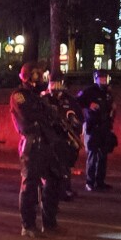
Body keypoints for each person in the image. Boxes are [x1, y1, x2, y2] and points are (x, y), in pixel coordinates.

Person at [10, 62, 64, 238]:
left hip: (47, 143)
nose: (40, 78)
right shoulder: (19, 95)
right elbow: (29, 117)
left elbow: (51, 117)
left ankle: (49, 222)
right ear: (27, 77)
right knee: (30, 184)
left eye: (41, 75)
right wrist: (45, 112)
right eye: (36, 75)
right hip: (32, 144)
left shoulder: (39, 96)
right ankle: (28, 225)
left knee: (55, 178)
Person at [42, 71, 83, 200]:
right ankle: (55, 192)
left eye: (58, 84)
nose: (55, 87)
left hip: (67, 137)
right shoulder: (44, 99)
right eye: (52, 84)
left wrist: (76, 128)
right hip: (51, 137)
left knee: (67, 164)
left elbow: (79, 117)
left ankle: (66, 188)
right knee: (53, 165)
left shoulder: (70, 100)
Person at [76, 69, 116, 192]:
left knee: (103, 156)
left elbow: (110, 107)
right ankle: (90, 182)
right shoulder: (89, 91)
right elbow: (76, 102)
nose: (103, 81)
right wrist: (89, 105)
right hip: (93, 127)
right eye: (101, 78)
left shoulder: (108, 92)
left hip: (104, 127)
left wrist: (112, 111)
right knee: (92, 155)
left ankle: (100, 181)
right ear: (96, 79)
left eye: (105, 78)